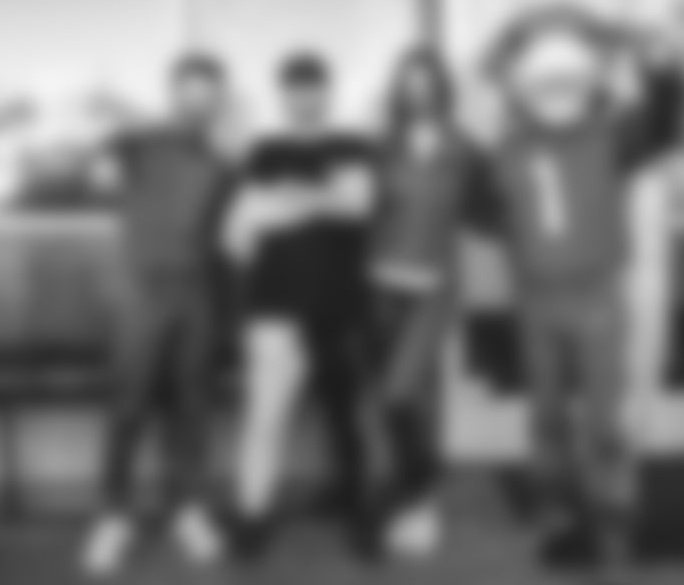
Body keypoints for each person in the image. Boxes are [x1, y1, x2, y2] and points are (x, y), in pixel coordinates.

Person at [472, 4, 684, 583]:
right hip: (535, 299)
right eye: (545, 82)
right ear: (525, 90)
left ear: (588, 84)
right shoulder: (507, 145)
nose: (557, 92)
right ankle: (553, 500)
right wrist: (527, 26)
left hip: (597, 296)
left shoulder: (614, 135)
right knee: (545, 411)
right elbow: (485, 205)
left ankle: (612, 510)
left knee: (603, 414)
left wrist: (658, 62)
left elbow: (667, 118)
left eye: (567, 81)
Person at [80, 54, 236, 576]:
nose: (198, 102)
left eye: (207, 94)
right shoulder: (138, 139)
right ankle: (112, 517)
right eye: (188, 91)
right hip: (140, 290)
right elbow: (96, 173)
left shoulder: (224, 154)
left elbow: (233, 222)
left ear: (218, 100)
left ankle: (188, 510)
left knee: (192, 407)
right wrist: (107, 137)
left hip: (198, 292)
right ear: (173, 93)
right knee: (128, 405)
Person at [220, 52, 379, 561]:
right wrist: (317, 198)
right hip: (273, 306)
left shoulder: (353, 144)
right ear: (283, 96)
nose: (305, 98)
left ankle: (360, 517)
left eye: (314, 87)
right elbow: (237, 233)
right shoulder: (263, 151)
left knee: (345, 420)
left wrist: (287, 200)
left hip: (339, 306)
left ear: (328, 93)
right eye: (295, 89)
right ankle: (252, 514)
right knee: (264, 418)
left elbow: (358, 206)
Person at [365, 46, 473, 560]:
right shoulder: (383, 145)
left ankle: (420, 501)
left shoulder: (462, 145)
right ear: (400, 89)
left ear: (441, 87)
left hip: (435, 285)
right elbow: (369, 211)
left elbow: (495, 204)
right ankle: (410, 496)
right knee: (409, 401)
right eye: (410, 82)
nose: (418, 91)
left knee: (399, 394)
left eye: (427, 81)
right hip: (382, 283)